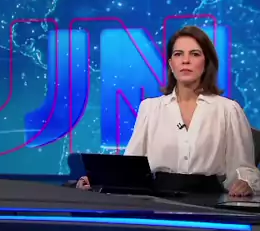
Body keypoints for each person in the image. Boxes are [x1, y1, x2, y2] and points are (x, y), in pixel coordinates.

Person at [77, 25, 260, 197]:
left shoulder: (228, 110)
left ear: (206, 62)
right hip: (159, 201)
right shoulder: (150, 108)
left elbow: (244, 168)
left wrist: (245, 183)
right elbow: (131, 168)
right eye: (179, 54)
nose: (186, 60)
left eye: (195, 54)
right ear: (171, 64)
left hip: (209, 201)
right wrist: (97, 180)